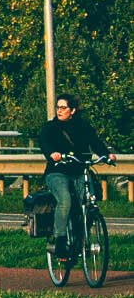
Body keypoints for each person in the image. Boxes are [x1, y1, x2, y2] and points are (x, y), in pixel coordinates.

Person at [37, 93, 114, 259]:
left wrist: (106, 155)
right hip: (57, 171)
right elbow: (44, 142)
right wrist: (52, 154)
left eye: (63, 108)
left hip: (80, 170)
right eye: (58, 107)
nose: (59, 110)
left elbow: (95, 142)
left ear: (72, 110)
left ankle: (79, 240)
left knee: (89, 201)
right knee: (65, 200)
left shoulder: (83, 126)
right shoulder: (50, 127)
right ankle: (60, 241)